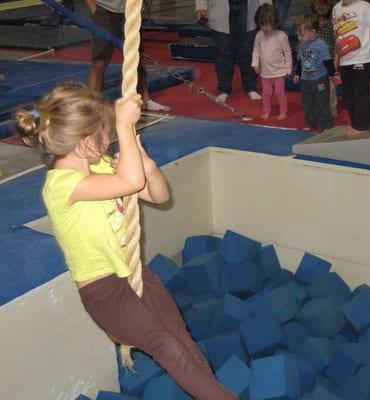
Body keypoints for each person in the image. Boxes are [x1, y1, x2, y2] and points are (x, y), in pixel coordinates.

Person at [14, 83, 237, 400]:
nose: (110, 141)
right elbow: (129, 182)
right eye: (106, 134)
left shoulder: (103, 165)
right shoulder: (60, 185)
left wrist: (149, 167)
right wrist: (124, 126)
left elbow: (158, 196)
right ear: (84, 142)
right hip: (104, 291)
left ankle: (213, 393)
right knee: (166, 346)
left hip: (135, 274)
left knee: (181, 339)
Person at [84, 0, 170, 112]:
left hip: (130, 12)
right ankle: (91, 104)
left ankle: (145, 100)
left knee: (135, 59)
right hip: (103, 10)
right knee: (99, 61)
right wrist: (94, 8)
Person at [195, 0, 268, 104]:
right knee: (223, 49)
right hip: (219, 5)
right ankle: (224, 89)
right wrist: (200, 6)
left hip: (247, 5)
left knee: (248, 48)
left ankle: (251, 88)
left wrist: (266, 5)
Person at [332, 0, 370, 137]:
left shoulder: (364, 7)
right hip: (345, 59)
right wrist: (337, 58)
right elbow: (337, 36)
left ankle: (362, 126)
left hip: (361, 58)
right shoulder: (336, 8)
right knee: (348, 96)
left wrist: (361, 39)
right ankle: (356, 123)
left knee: (360, 94)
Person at [293, 13, 336, 132]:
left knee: (322, 104)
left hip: (320, 79)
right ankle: (311, 123)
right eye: (297, 34)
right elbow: (300, 60)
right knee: (307, 104)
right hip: (305, 80)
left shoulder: (321, 45)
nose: (299, 37)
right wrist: (297, 74)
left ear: (312, 32)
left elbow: (328, 61)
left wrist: (332, 74)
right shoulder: (301, 45)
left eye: (301, 34)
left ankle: (327, 125)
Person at [252, 4, 292, 120]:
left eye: (267, 25)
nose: (264, 28)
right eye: (261, 25)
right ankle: (267, 111)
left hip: (279, 71)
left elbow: (288, 52)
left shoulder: (281, 36)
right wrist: (255, 64)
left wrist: (288, 69)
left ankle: (283, 111)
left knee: (280, 92)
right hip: (265, 72)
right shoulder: (259, 35)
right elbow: (256, 50)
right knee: (266, 93)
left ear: (274, 23)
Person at [311, 0, 338, 118]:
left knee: (330, 87)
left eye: (323, 20)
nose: (321, 22)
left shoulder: (332, 27)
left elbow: (337, 46)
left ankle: (331, 108)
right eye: (318, 19)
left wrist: (335, 63)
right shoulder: (311, 26)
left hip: (328, 61)